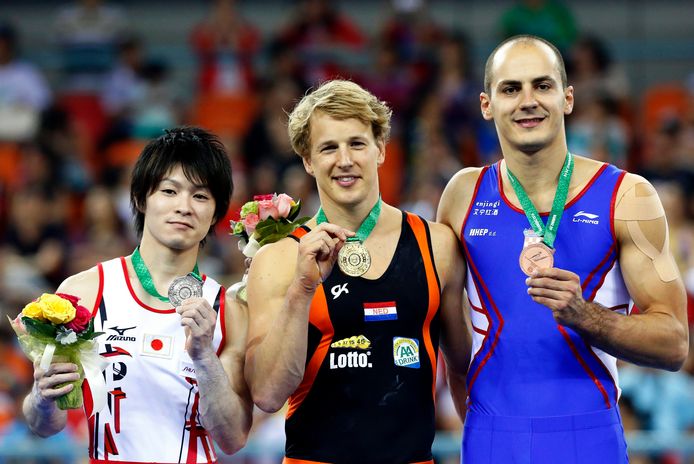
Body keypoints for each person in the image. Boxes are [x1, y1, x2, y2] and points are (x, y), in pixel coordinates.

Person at [437, 35, 689, 463]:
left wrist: (586, 315)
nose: (528, 101)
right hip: (491, 435)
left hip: (589, 435)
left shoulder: (628, 197)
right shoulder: (462, 194)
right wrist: (482, 422)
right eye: (510, 89)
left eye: (543, 85)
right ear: (486, 105)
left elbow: (674, 344)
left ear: (568, 97)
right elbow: (451, 334)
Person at [244, 79, 470, 463]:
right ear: (307, 160)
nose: (345, 159)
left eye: (357, 143)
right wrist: (302, 287)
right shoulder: (280, 257)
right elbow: (266, 394)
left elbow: (464, 369)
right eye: (328, 147)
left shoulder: (438, 245)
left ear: (381, 149)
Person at [22, 126, 253, 462]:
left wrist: (204, 357)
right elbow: (44, 424)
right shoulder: (82, 294)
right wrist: (42, 397)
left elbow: (233, 438)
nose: (184, 207)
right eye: (169, 191)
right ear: (142, 197)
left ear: (216, 213)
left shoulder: (229, 311)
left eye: (200, 196)